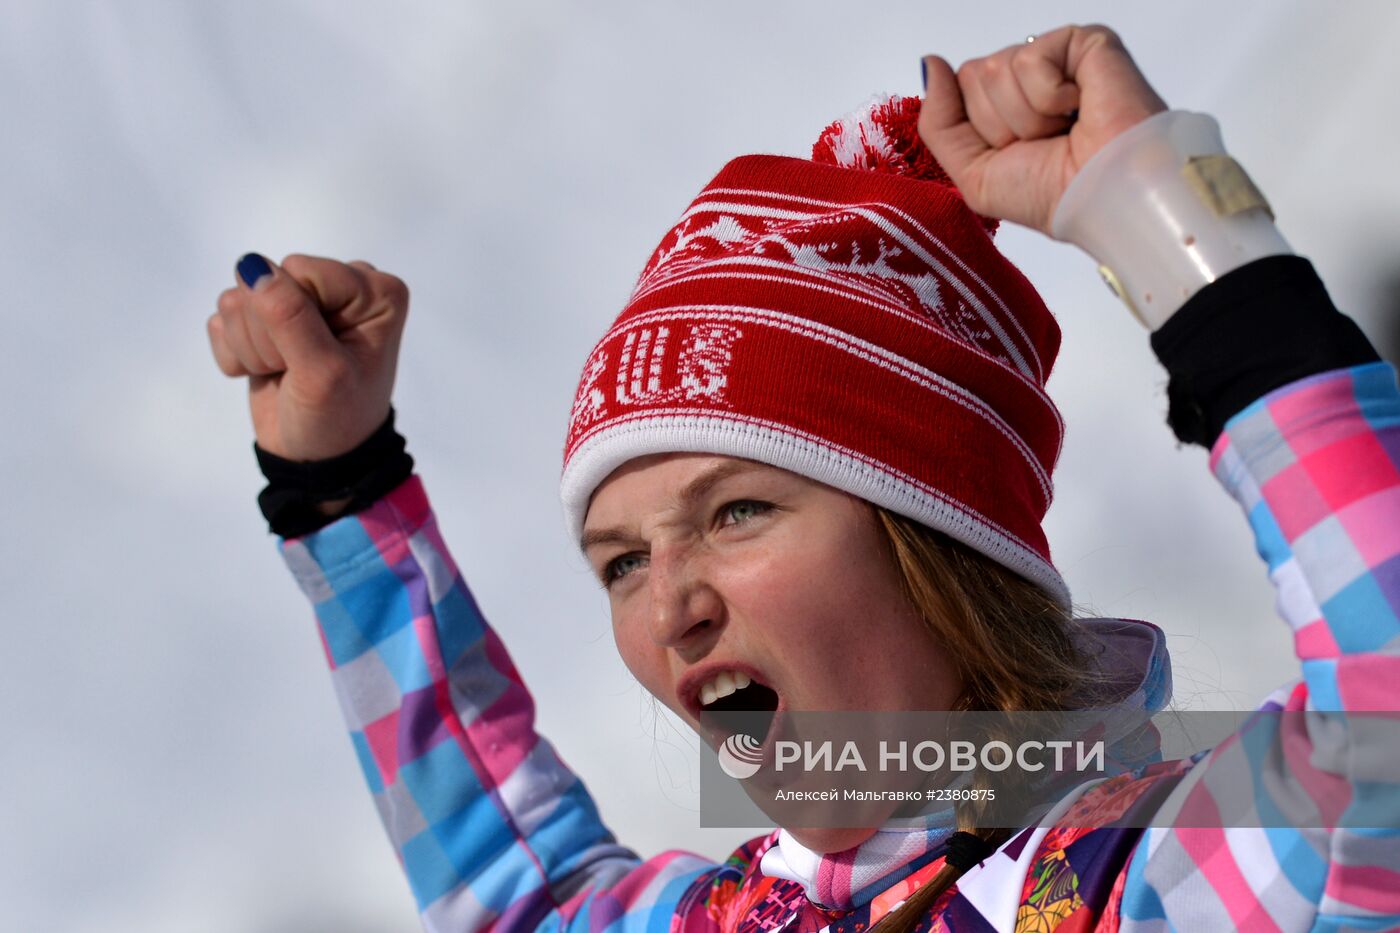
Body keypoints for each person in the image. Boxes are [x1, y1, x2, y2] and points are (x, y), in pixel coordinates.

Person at [207, 24, 1400, 932]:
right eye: (619, 561)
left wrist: (1161, 215)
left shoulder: (1148, 881)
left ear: (934, 542)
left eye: (735, 511)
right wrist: (340, 483)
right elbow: (515, 885)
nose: (670, 606)